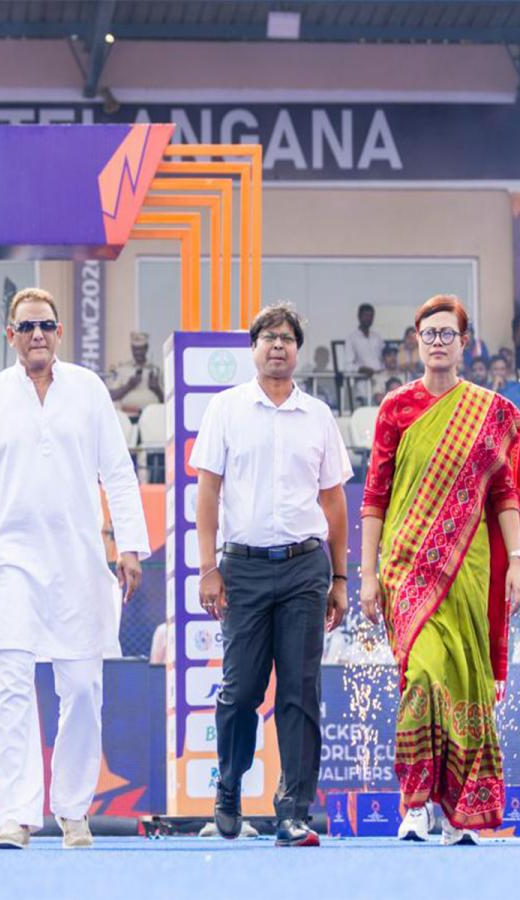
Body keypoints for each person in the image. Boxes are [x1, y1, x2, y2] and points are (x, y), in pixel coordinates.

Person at [0, 287, 150, 850]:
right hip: (10, 561)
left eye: (45, 326)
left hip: (79, 561)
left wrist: (129, 546)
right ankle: (15, 817)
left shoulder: (88, 390)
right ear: (10, 335)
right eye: (26, 327)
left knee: (83, 688)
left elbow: (118, 471)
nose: (36, 335)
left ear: (60, 333)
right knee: (10, 685)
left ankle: (72, 809)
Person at [360, 295, 520, 846]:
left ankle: (458, 813)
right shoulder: (396, 409)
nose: (437, 342)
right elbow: (374, 496)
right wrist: (366, 574)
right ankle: (415, 805)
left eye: (447, 334)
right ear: (416, 340)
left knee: (464, 681)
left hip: (469, 570)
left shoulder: (493, 413)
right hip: (406, 569)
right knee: (423, 677)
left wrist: (516, 561)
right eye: (428, 334)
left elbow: (505, 494)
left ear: (464, 343)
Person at [192, 302, 353, 848]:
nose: (278, 345)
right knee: (240, 691)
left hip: (306, 567)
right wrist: (208, 568)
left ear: (298, 350)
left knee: (300, 691)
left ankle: (293, 811)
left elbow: (334, 502)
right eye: (268, 337)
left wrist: (340, 578)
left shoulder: (318, 416)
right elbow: (208, 492)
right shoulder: (226, 409)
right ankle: (229, 786)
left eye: (287, 338)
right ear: (254, 348)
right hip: (242, 569)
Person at [109, 331, 164, 421]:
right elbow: (111, 396)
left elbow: (166, 400)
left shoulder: (156, 370)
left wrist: (156, 389)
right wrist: (128, 386)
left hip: (152, 418)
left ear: (146, 348)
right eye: (135, 349)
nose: (138, 353)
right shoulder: (122, 370)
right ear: (131, 349)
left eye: (141, 349)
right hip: (129, 418)